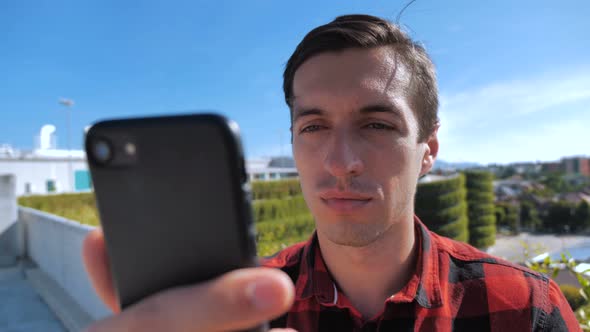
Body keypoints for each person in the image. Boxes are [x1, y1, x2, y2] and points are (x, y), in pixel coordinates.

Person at [82, 14, 579, 331]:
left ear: (428, 150)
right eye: (314, 126)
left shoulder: (521, 308)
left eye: (377, 124)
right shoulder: (246, 309)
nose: (341, 161)